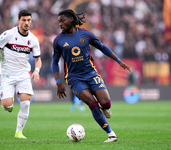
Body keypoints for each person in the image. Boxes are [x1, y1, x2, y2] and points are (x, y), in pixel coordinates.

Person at [52, 9, 132, 143]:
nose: (60, 24)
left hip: (91, 73)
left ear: (71, 19)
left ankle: (105, 109)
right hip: (74, 78)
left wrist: (119, 61)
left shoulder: (86, 34)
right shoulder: (58, 40)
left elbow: (102, 47)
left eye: (62, 21)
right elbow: (54, 62)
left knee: (106, 103)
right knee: (92, 103)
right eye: (58, 22)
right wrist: (58, 82)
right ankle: (111, 134)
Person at [0, 10, 42, 139]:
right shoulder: (9, 34)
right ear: (18, 20)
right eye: (24, 20)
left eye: (29, 20)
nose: (27, 23)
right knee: (7, 106)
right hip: (7, 75)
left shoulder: (33, 40)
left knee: (26, 103)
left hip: (23, 74)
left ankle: (19, 132)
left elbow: (38, 59)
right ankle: (9, 102)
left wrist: (36, 71)